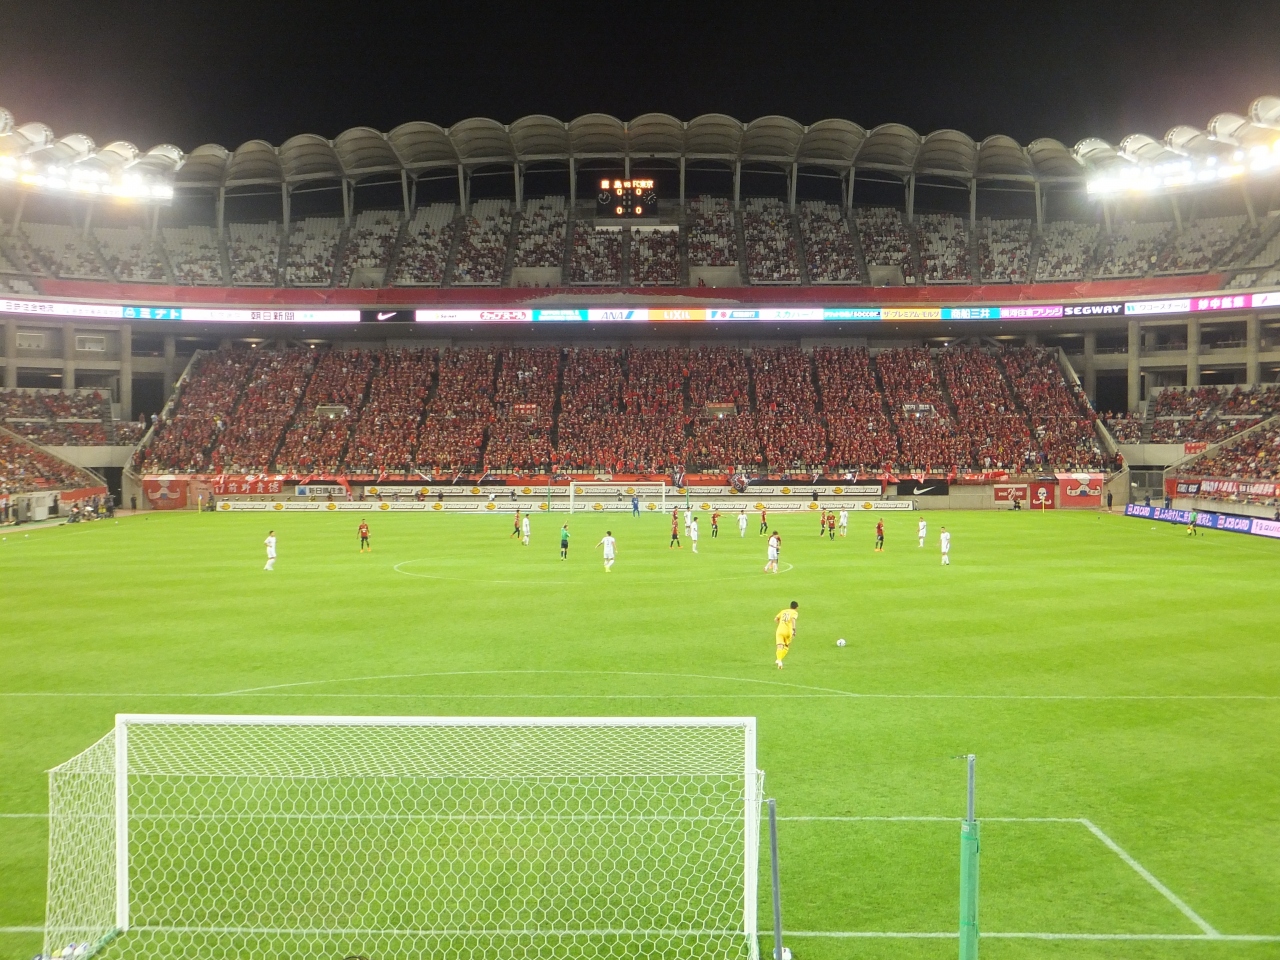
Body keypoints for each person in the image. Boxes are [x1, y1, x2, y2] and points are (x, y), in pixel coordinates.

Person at [774, 601, 799, 669]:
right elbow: (793, 619)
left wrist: (781, 624)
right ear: (796, 607)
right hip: (788, 631)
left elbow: (776, 619)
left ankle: (779, 660)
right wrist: (794, 629)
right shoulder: (794, 612)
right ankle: (779, 659)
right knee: (786, 646)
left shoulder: (783, 611)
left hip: (779, 630)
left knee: (779, 646)